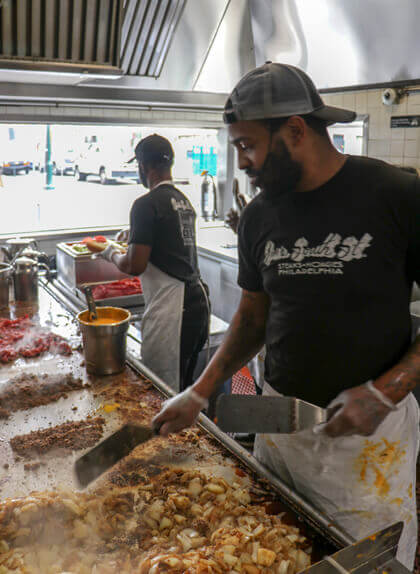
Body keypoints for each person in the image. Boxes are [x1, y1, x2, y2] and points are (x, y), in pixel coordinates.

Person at [153, 63, 420, 568]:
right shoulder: (260, 215)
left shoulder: (396, 196)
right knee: (276, 554)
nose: (243, 161)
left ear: (295, 130)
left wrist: (387, 390)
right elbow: (254, 318)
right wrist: (202, 390)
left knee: (366, 563)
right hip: (280, 428)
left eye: (247, 145)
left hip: (368, 442)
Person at [100, 134, 209, 392]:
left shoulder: (145, 204)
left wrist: (109, 252)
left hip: (173, 310)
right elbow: (170, 245)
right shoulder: (183, 201)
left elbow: (134, 266)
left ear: (144, 167)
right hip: (198, 304)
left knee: (161, 392)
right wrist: (135, 237)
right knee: (183, 388)